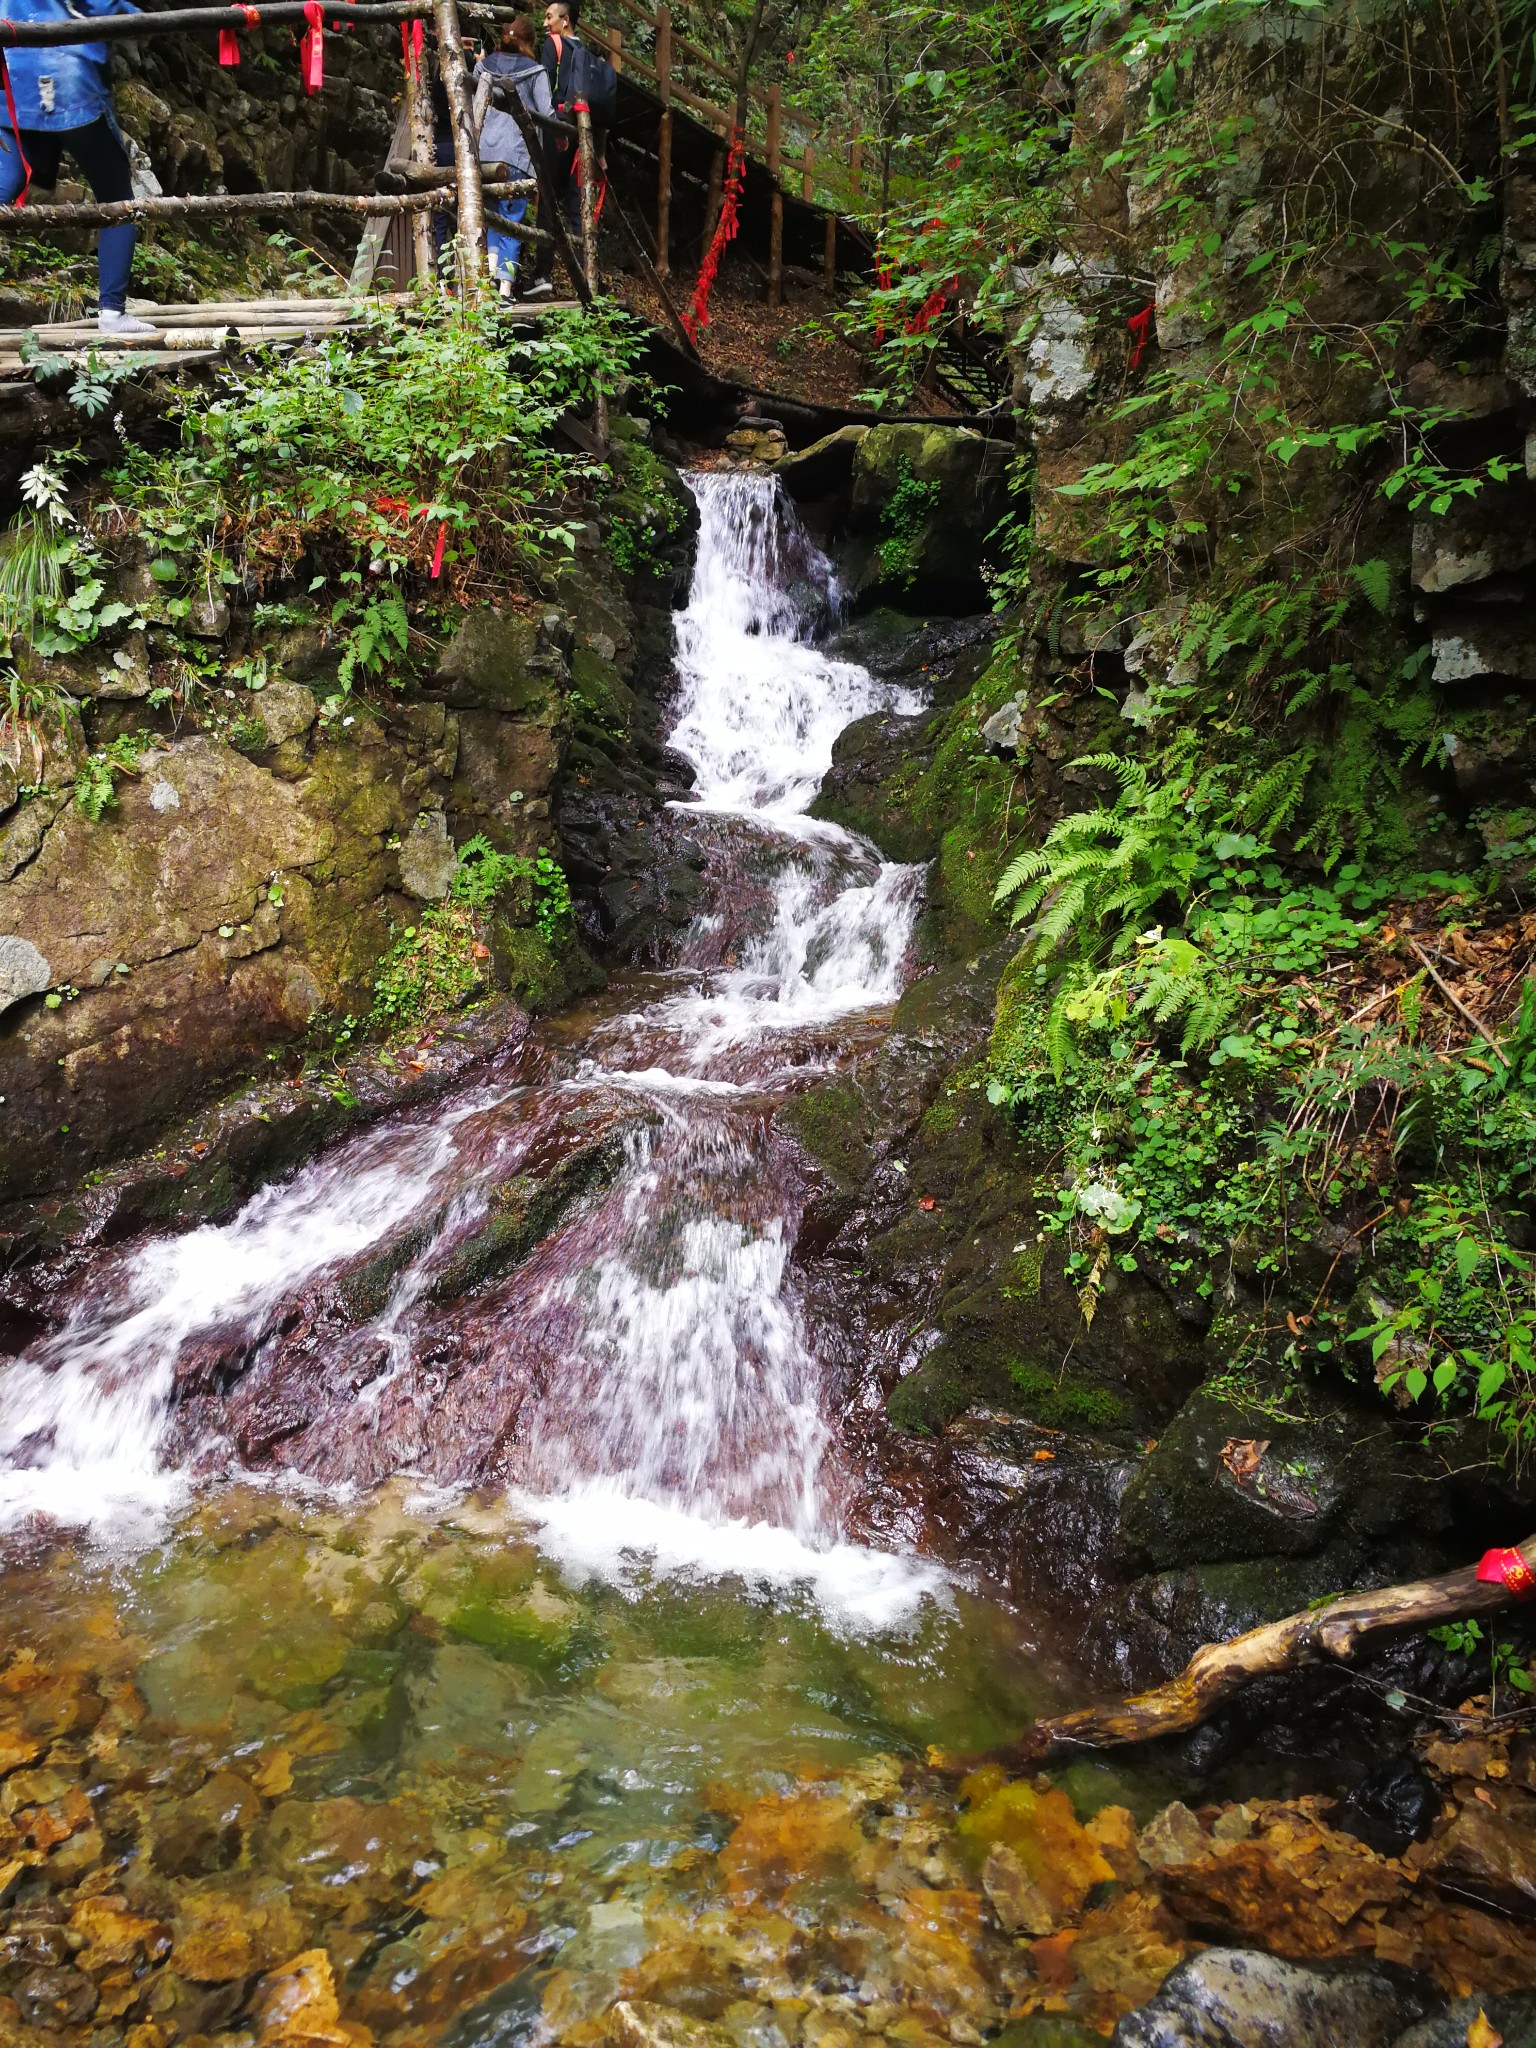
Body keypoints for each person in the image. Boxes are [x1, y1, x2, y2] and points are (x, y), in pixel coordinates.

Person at [0, 0, 155, 335]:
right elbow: (103, 6)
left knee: (2, 187)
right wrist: (138, 20)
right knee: (117, 199)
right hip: (69, 76)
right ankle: (112, 313)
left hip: (14, 81)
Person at [474, 14, 551, 296]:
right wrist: (562, 136)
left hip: (484, 152)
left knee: (491, 215)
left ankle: (490, 277)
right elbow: (546, 112)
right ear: (529, 42)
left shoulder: (482, 67)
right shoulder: (536, 72)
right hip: (517, 153)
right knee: (512, 220)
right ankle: (505, 288)